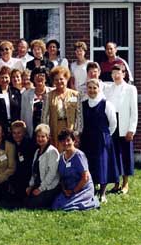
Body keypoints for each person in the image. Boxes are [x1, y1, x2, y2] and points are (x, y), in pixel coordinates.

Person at [80, 78, 118, 203]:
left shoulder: (106, 104)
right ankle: (92, 189)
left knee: (102, 165)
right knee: (90, 165)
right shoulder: (83, 104)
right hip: (88, 139)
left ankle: (102, 193)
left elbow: (113, 124)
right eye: (89, 88)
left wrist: (105, 136)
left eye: (94, 88)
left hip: (102, 140)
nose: (92, 90)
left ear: (99, 89)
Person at [104, 64, 138, 195]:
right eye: (113, 73)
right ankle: (116, 183)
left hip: (124, 124)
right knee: (114, 154)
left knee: (125, 154)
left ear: (124, 74)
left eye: (118, 73)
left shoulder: (130, 89)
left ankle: (125, 183)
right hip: (113, 124)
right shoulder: (109, 89)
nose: (116, 75)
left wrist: (131, 129)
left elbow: (134, 111)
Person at [52, 129, 100, 211]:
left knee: (67, 207)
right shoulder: (60, 157)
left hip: (83, 189)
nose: (66, 143)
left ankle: (93, 201)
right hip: (69, 190)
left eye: (68, 140)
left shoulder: (79, 156)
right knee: (56, 205)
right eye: (63, 141)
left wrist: (73, 191)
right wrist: (65, 190)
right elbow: (62, 178)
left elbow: (85, 178)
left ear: (74, 141)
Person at [41, 66, 83, 151]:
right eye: (56, 80)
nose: (59, 82)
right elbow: (44, 117)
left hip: (70, 129)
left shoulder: (75, 95)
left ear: (66, 79)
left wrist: (77, 133)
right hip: (55, 130)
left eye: (61, 79)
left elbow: (79, 115)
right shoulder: (48, 96)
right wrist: (46, 134)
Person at [24, 124, 60, 209]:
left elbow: (52, 173)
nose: (40, 139)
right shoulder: (37, 151)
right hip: (38, 183)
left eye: (43, 136)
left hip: (49, 186)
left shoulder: (52, 152)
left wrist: (41, 189)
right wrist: (31, 185)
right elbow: (34, 171)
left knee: (32, 204)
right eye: (38, 136)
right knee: (24, 199)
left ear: (48, 138)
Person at [21, 67, 53, 137]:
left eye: (42, 75)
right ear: (33, 78)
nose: (39, 77)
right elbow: (23, 115)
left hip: (49, 132)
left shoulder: (53, 93)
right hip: (32, 132)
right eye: (36, 75)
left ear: (46, 78)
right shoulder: (26, 94)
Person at [9, 121, 36, 201]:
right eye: (14, 133)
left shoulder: (29, 145)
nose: (16, 135)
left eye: (19, 133)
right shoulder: (11, 143)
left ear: (24, 133)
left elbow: (29, 166)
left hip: (27, 175)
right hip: (14, 173)